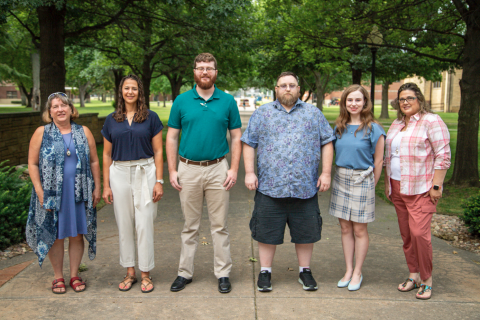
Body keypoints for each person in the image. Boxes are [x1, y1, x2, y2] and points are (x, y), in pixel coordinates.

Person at [241, 71, 335, 292]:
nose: (287, 89)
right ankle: (265, 272)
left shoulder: (313, 114)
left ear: (299, 89)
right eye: (283, 85)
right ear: (276, 89)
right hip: (270, 187)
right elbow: (248, 142)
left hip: (305, 187)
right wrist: (248, 172)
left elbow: (327, 141)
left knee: (305, 233)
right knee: (266, 233)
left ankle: (305, 271)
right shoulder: (262, 113)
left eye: (292, 85)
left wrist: (327, 173)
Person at [166, 53, 242, 294]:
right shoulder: (181, 100)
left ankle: (223, 273)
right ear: (194, 72)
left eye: (209, 68)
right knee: (190, 225)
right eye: (200, 68)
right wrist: (172, 170)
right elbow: (171, 136)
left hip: (218, 167)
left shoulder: (228, 101)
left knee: (219, 226)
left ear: (216, 73)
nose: (205, 72)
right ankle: (184, 273)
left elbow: (237, 136)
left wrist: (233, 168)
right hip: (188, 168)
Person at [27, 92, 101, 294]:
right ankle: (58, 276)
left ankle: (75, 275)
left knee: (76, 235)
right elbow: (32, 164)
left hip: (79, 192)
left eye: (63, 105)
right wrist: (39, 191)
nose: (60, 109)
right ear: (49, 112)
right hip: (52, 194)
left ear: (71, 109)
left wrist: (97, 186)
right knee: (56, 235)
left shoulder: (83, 132)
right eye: (55, 106)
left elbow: (94, 160)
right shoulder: (41, 133)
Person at [384, 82, 451, 300]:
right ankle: (413, 274)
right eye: (402, 99)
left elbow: (443, 154)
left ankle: (427, 279)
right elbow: (390, 157)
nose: (405, 102)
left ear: (420, 100)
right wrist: (387, 183)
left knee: (420, 235)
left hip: (421, 188)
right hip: (398, 186)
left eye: (410, 98)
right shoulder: (396, 124)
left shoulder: (431, 121)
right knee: (407, 235)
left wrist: (437, 185)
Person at [102, 74, 164, 293]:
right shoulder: (111, 119)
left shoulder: (151, 117)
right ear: (121, 91)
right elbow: (106, 155)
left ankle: (146, 272)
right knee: (124, 224)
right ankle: (130, 272)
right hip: (118, 173)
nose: (130, 92)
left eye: (134, 89)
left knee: (144, 222)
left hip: (145, 171)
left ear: (140, 92)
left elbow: (158, 151)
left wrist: (159, 180)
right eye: (126, 88)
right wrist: (106, 185)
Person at [329, 85, 385, 291]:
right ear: (344, 103)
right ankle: (348, 269)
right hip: (341, 179)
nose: (353, 104)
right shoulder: (339, 127)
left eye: (357, 100)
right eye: (349, 100)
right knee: (345, 228)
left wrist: (372, 186)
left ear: (365, 103)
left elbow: (378, 161)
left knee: (360, 229)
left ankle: (358, 272)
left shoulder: (374, 129)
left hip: (363, 180)